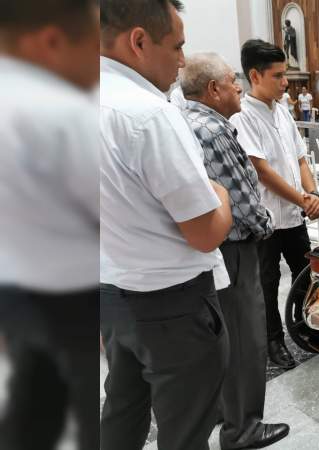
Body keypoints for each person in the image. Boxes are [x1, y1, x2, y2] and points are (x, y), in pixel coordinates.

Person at [99, 1, 235, 449]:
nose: (182, 61)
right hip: (171, 307)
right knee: (186, 430)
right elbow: (205, 233)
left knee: (122, 413)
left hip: (110, 291)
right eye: (176, 46)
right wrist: (221, 194)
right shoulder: (148, 114)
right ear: (138, 41)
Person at [180, 53, 292, 449]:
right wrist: (264, 227)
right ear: (213, 90)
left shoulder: (187, 121)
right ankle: (243, 428)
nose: (238, 86)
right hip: (234, 247)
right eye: (232, 81)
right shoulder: (212, 129)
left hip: (211, 248)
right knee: (246, 339)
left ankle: (226, 414)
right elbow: (241, 196)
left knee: (223, 337)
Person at [0, 1, 99, 449]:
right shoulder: (59, 110)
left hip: (16, 287)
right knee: (72, 412)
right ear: (52, 42)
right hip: (65, 296)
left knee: (33, 404)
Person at [231, 39, 319, 370]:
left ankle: (305, 325)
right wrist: (303, 198)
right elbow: (262, 171)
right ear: (255, 75)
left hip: (295, 216)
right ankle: (273, 340)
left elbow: (300, 158)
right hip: (267, 221)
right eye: (279, 75)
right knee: (268, 284)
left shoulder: (282, 111)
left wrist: (313, 195)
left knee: (306, 274)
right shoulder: (243, 117)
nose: (286, 82)